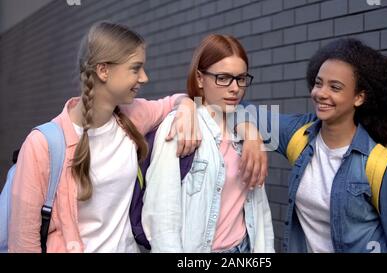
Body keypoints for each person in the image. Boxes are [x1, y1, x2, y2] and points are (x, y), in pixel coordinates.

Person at [8, 21, 203, 253]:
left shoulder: (131, 117)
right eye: (135, 68)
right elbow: (23, 243)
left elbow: (175, 100)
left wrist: (188, 108)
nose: (144, 78)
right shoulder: (42, 145)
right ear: (103, 71)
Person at [262, 38, 387, 253]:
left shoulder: (378, 165)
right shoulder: (298, 136)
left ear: (359, 97)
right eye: (318, 83)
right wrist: (247, 128)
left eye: (335, 87)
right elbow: (237, 109)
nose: (321, 93)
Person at [141, 34, 274, 253]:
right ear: (200, 78)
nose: (235, 88)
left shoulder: (245, 132)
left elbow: (260, 210)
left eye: (241, 78)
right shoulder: (180, 126)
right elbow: (162, 217)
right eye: (223, 78)